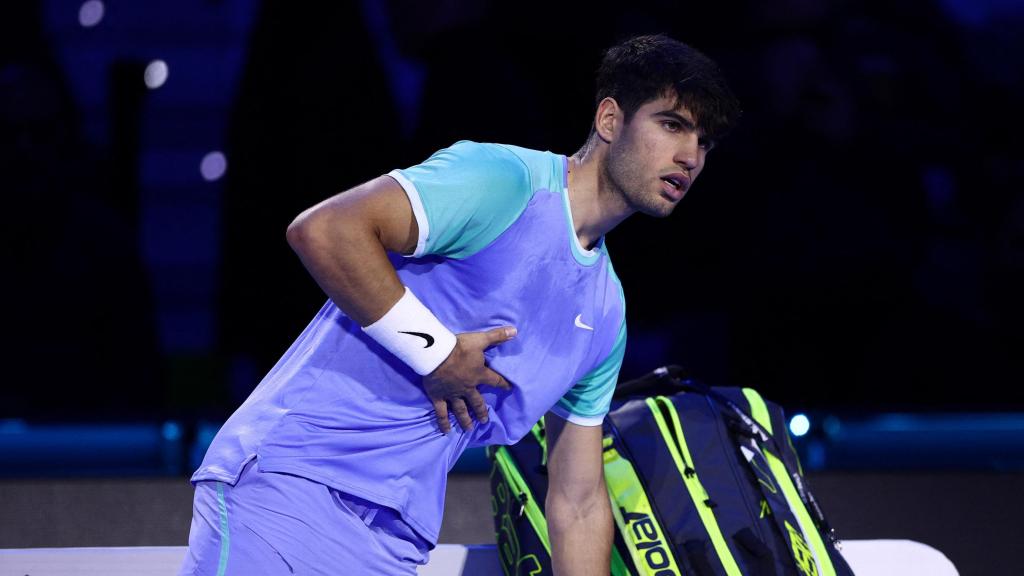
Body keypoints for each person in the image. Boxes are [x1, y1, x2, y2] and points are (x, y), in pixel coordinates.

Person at [179, 33, 740, 576]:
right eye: (672, 125)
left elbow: (580, 500)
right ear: (610, 120)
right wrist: (438, 354)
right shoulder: (503, 180)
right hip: (288, 487)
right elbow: (325, 230)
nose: (689, 156)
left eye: (704, 143)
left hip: (393, 540)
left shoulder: (606, 313)